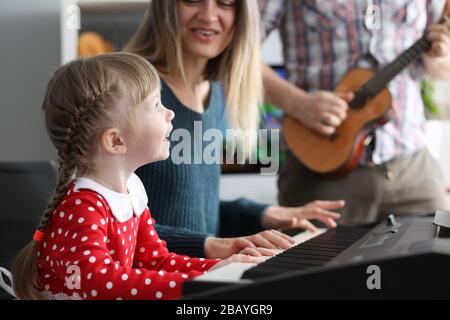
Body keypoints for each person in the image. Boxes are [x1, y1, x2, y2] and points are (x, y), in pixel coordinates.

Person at [10, 52, 266, 300]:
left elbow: (155, 261)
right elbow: (101, 284)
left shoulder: (131, 190)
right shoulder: (84, 206)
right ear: (116, 140)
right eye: (156, 106)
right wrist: (195, 286)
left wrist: (213, 271)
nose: (170, 113)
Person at [125, 0, 342, 259]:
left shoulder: (213, 90)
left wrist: (266, 214)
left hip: (200, 279)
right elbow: (113, 227)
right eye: (192, 0)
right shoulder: (131, 91)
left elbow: (194, 214)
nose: (208, 15)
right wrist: (211, 245)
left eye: (226, 3)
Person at [259, 0, 450, 225]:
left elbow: (441, 70)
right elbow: (233, 53)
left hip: (413, 170)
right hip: (320, 170)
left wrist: (439, 56)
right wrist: (299, 104)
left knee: (438, 256)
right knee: (312, 260)